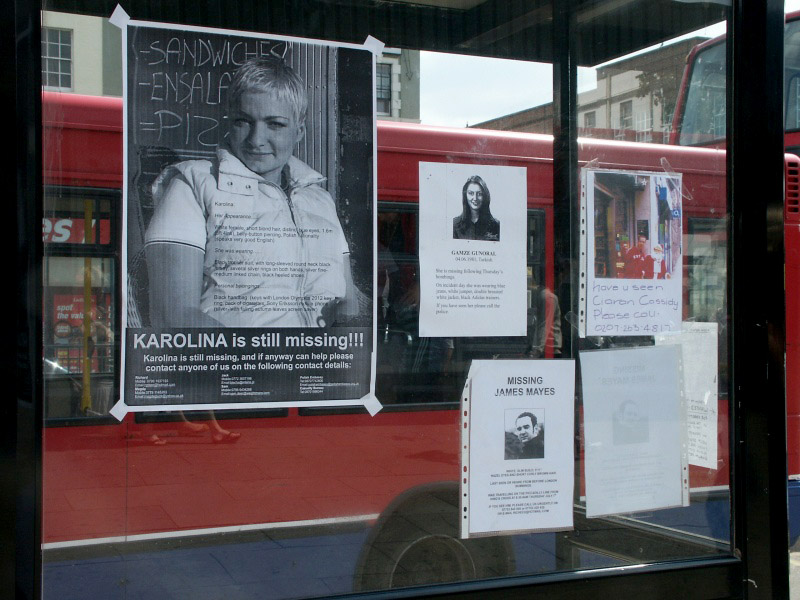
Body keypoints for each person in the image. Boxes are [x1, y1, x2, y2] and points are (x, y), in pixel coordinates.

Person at [145, 57, 358, 327]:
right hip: (241, 365)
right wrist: (256, 362)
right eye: (243, 121)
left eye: (275, 124)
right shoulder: (192, 186)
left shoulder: (319, 199)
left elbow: (348, 299)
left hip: (320, 364)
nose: (256, 140)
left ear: (300, 131)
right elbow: (173, 316)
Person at [452, 175, 500, 241]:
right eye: (471, 193)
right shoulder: (454, 225)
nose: (475, 198)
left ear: (485, 196)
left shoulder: (496, 225)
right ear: (465, 196)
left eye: (479, 194)